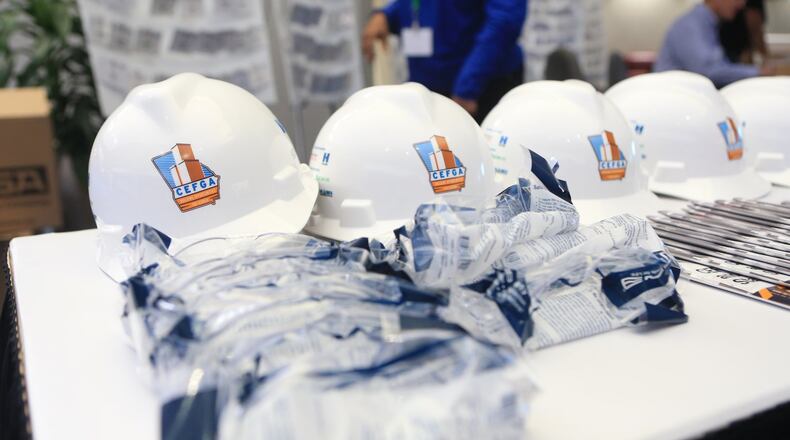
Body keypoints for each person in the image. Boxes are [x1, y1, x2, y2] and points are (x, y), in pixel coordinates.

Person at [362, 0, 527, 122]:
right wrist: (386, 15)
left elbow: (504, 22)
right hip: (428, 90)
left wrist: (468, 87)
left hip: (480, 91)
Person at [654, 0, 774, 88]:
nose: (742, 4)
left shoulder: (710, 25)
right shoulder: (691, 25)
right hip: (673, 102)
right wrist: (757, 72)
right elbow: (708, 71)